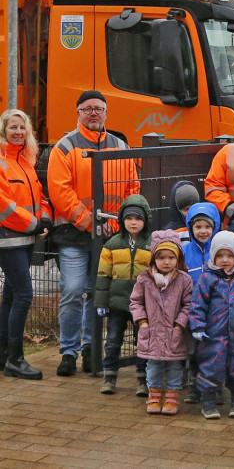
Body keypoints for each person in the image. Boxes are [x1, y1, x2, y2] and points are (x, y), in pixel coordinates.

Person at [48, 89, 139, 377]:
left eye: (99, 108)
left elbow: (131, 186)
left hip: (109, 235)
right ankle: (68, 352)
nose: (94, 113)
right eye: (87, 108)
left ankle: (90, 349)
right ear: (78, 113)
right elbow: (60, 192)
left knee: (95, 293)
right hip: (74, 235)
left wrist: (119, 222)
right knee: (74, 290)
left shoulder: (120, 145)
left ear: (106, 113)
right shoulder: (65, 147)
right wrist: (89, 221)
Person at [0, 109, 52, 380]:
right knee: (23, 294)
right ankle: (16, 359)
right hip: (8, 240)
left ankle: (4, 355)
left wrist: (44, 217)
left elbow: (39, 194)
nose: (18, 132)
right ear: (3, 131)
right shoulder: (2, 162)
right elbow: (4, 207)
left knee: (11, 295)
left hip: (25, 237)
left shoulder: (26, 161)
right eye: (13, 128)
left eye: (22, 127)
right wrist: (35, 224)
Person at [189, 231, 234, 420]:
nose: (225, 260)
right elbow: (197, 304)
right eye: (220, 256)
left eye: (229, 255)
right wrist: (197, 326)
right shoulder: (207, 279)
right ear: (213, 256)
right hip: (213, 335)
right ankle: (208, 401)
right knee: (211, 366)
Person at [129, 230, 193, 415]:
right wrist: (142, 322)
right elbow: (135, 302)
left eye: (171, 257)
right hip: (152, 332)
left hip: (175, 332)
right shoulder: (144, 279)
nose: (166, 262)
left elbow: (189, 304)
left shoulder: (184, 280)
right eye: (161, 257)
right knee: (153, 365)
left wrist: (180, 324)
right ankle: (154, 394)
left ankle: (172, 397)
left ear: (178, 258)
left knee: (174, 366)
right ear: (153, 259)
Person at [95, 195, 152, 396]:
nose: (133, 222)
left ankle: (142, 379)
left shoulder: (152, 244)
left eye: (137, 218)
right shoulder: (112, 244)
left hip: (143, 306)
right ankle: (109, 377)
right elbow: (103, 275)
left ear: (145, 220)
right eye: (128, 218)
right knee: (112, 340)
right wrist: (101, 302)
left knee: (143, 342)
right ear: (121, 220)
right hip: (117, 303)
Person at [180, 201, 220, 404]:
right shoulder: (185, 252)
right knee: (195, 350)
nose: (203, 231)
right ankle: (196, 386)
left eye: (207, 226)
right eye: (198, 227)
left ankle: (216, 387)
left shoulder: (219, 251)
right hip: (194, 311)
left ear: (215, 227)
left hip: (217, 311)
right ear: (190, 228)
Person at [163, 181, 200, 245]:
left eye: (194, 207)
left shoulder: (205, 225)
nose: (191, 213)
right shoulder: (169, 233)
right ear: (177, 210)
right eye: (186, 209)